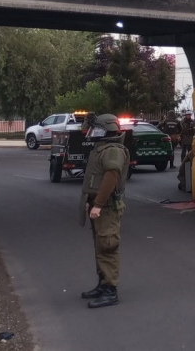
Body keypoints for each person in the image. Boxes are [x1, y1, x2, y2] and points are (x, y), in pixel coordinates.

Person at [77, 114, 128, 308]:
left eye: (96, 128)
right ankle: (103, 283)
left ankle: (110, 290)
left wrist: (97, 204)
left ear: (105, 129)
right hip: (100, 205)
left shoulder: (113, 151)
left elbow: (110, 178)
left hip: (106, 207)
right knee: (100, 246)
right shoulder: (103, 148)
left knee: (108, 246)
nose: (92, 131)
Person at [177, 113, 195, 192]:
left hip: (190, 139)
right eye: (187, 115)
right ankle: (185, 183)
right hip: (184, 139)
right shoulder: (182, 122)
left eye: (190, 115)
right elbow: (182, 130)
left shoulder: (192, 122)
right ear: (185, 116)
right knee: (184, 152)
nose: (189, 116)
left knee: (190, 153)